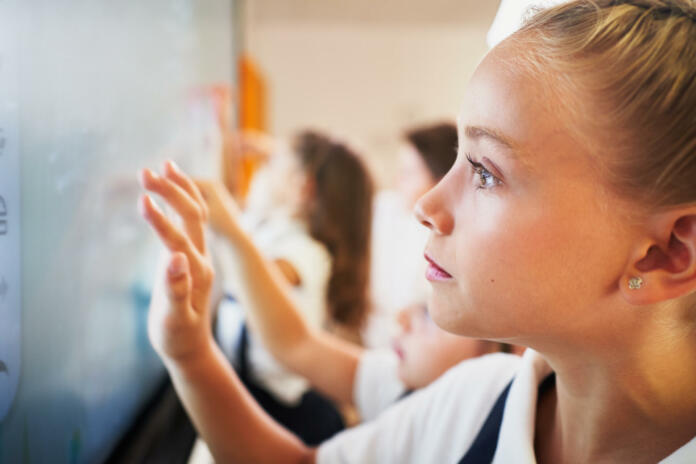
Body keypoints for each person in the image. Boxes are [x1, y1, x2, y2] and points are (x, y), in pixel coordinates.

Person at [139, 1, 696, 462]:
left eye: (485, 173)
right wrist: (188, 353)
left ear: (666, 253)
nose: (426, 205)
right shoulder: (480, 403)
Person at [207, 130, 374, 445]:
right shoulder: (266, 228)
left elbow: (255, 275)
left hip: (286, 411)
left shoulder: (308, 252)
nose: (261, 172)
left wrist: (226, 225)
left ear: (304, 187)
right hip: (252, 393)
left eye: (271, 166)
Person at [366, 122, 458, 349]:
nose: (398, 181)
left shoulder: (446, 239)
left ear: (440, 180)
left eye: (407, 173)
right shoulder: (388, 208)